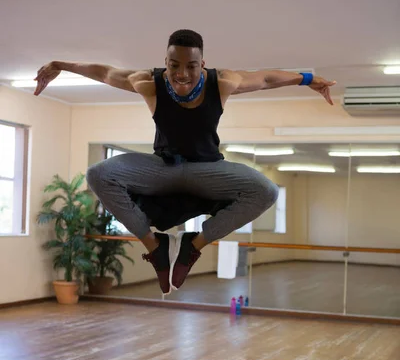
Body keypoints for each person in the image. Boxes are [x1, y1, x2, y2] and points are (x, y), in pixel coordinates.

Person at [34, 29, 336, 295]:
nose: (182, 74)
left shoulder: (222, 82)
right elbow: (104, 72)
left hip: (209, 170)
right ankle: (156, 247)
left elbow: (267, 78)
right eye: (174, 65)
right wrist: (60, 65)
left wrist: (307, 79)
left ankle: (194, 244)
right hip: (161, 168)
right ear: (165, 63)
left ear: (201, 64)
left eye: (191, 66)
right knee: (99, 174)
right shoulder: (147, 83)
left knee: (267, 191)